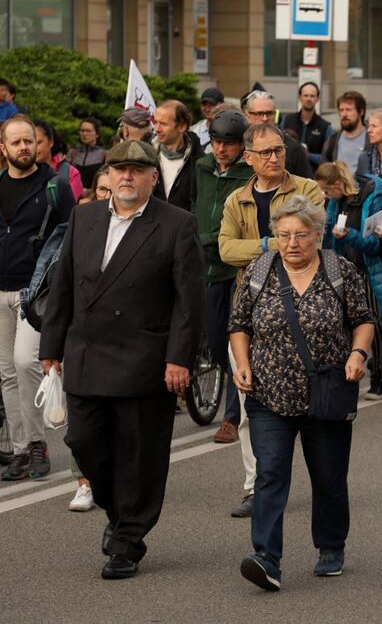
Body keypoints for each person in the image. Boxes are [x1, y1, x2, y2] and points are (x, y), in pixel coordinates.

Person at [39, 139, 204, 579]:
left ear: (154, 176)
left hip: (146, 361)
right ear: (107, 177)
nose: (127, 176)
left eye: (137, 169)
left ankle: (128, 539)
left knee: (140, 456)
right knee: (85, 445)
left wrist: (179, 358)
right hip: (87, 354)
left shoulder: (176, 224)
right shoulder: (85, 216)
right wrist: (50, 349)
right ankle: (119, 513)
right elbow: (64, 288)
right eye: (119, 169)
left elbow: (190, 302)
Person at [230, 195, 373, 592]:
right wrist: (242, 362)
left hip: (326, 392)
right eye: (283, 234)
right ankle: (267, 557)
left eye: (301, 235)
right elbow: (239, 324)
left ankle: (330, 546)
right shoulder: (259, 270)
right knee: (270, 472)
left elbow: (362, 320)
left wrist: (358, 352)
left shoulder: (339, 270)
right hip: (269, 392)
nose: (292, 243)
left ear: (318, 235)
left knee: (328, 477)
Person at [219, 122, 324, 517]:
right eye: (265, 152)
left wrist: (281, 247)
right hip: (253, 311)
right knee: (252, 407)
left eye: (278, 150)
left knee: (313, 408)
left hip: (305, 309)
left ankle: (321, 484)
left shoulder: (306, 190)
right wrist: (268, 244)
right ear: (248, 158)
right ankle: (255, 487)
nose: (274, 157)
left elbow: (317, 237)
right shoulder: (236, 200)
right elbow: (226, 248)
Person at [0, 115, 75, 482]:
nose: (24, 147)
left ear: (38, 144)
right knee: (6, 374)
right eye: (16, 142)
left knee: (25, 362)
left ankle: (36, 443)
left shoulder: (55, 187)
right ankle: (18, 450)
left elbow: (71, 238)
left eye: (28, 140)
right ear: (4, 149)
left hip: (36, 294)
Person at [191, 110, 254, 446]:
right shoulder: (201, 167)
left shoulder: (249, 173)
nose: (220, 150)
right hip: (206, 265)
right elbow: (191, 202)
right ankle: (235, 382)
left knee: (235, 339)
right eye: (216, 142)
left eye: (228, 144)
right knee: (215, 341)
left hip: (236, 265)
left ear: (241, 146)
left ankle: (232, 417)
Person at [318, 162, 382, 401]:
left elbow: (375, 245)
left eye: (327, 191)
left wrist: (350, 235)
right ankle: (346, 377)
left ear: (338, 184)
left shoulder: (373, 196)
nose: (325, 196)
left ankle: (379, 381)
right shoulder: (336, 201)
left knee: (377, 325)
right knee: (344, 326)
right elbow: (328, 235)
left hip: (370, 269)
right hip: (345, 270)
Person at [242, 90, 312, 179]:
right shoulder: (238, 145)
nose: (265, 118)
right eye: (259, 113)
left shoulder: (293, 148)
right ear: (248, 116)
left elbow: (307, 184)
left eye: (269, 113)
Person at [152, 100, 202, 212]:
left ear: (182, 126)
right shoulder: (146, 153)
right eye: (155, 122)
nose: (157, 129)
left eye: (163, 124)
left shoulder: (198, 160)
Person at [281, 82, 334, 173]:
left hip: (313, 177)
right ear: (300, 98)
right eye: (305, 95)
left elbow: (328, 159)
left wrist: (308, 155)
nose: (309, 99)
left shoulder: (325, 126)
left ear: (317, 99)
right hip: (287, 174)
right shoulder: (287, 120)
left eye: (312, 96)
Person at [321, 91, 370, 173]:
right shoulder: (331, 142)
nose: (344, 114)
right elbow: (323, 173)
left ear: (361, 112)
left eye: (348, 110)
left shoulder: (372, 139)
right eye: (341, 110)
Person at [34, 119, 84, 200]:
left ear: (50, 142)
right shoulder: (20, 172)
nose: (34, 147)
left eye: (38, 142)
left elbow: (71, 207)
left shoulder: (69, 172)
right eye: (30, 142)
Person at [66, 117, 107, 188]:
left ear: (97, 134)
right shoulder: (72, 153)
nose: (84, 134)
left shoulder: (104, 155)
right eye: (82, 131)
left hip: (95, 195)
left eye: (88, 131)